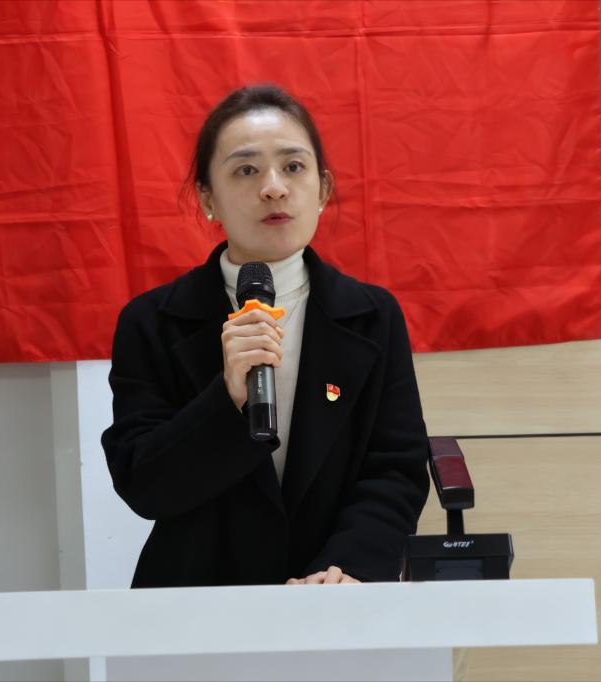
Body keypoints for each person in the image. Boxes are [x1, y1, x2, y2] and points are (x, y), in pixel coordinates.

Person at [100, 84, 431, 588]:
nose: (274, 188)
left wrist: (348, 567)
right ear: (207, 198)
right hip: (198, 600)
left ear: (323, 189)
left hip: (333, 597)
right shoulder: (152, 322)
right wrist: (224, 399)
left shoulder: (372, 316)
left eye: (293, 167)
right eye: (246, 170)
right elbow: (144, 484)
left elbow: (395, 468)